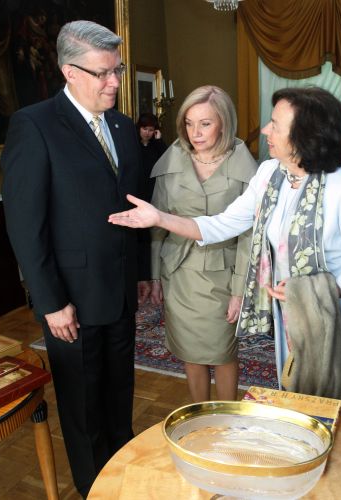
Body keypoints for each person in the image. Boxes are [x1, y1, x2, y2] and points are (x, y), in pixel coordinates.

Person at [110, 87, 341, 420]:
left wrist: (310, 291)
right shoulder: (270, 174)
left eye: (275, 124)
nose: (266, 129)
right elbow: (223, 224)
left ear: (305, 135)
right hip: (289, 308)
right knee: (294, 391)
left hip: (331, 312)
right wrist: (160, 218)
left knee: (334, 402)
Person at [1, 20, 150, 497]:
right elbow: (26, 225)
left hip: (120, 291)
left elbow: (134, 205)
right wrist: (50, 302)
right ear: (69, 71)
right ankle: (94, 490)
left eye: (117, 70)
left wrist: (141, 273)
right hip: (71, 301)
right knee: (84, 408)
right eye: (103, 73)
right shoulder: (34, 125)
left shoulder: (123, 127)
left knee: (119, 395)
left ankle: (122, 479)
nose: (114, 82)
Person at [150, 85, 256, 402]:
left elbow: (249, 236)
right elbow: (156, 224)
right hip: (179, 273)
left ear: (223, 122)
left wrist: (239, 290)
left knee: (223, 353)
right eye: (189, 123)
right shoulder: (172, 159)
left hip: (224, 276)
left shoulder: (245, 167)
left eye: (205, 123)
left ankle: (227, 418)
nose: (195, 133)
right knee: (190, 351)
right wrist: (154, 277)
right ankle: (200, 416)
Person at [136, 112, 167, 199]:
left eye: (151, 130)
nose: (147, 133)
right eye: (144, 129)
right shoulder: (133, 144)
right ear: (139, 128)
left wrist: (159, 140)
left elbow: (166, 159)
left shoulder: (156, 145)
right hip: (137, 188)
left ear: (155, 131)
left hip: (153, 188)